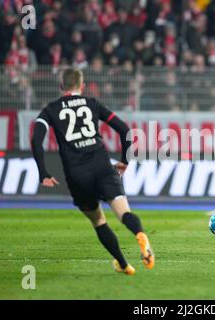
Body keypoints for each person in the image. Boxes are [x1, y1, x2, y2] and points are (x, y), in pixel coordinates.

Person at [31, 67, 154, 275]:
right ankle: (140, 234)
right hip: (102, 166)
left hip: (77, 173)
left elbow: (36, 140)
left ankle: (123, 264)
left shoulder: (50, 109)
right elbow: (124, 130)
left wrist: (43, 172)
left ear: (61, 86)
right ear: (83, 86)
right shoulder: (92, 103)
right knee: (124, 213)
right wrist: (124, 160)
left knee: (98, 220)